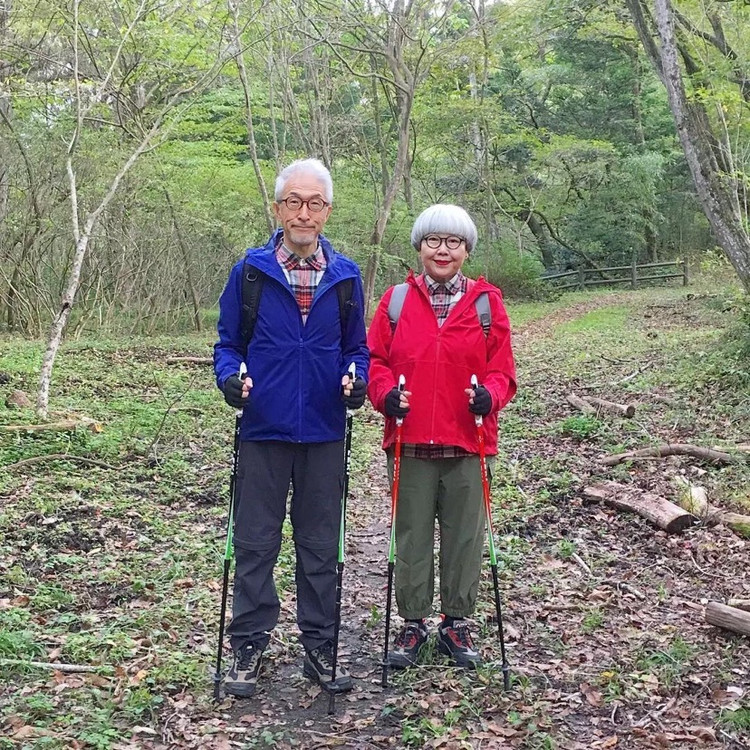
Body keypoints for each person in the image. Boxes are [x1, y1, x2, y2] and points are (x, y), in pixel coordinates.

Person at [213, 158, 369, 698]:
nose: (304, 212)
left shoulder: (347, 277)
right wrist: (231, 379)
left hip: (325, 430)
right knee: (255, 542)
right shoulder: (251, 273)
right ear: (278, 208)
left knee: (321, 544)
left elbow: (357, 350)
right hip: (264, 427)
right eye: (294, 202)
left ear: (327, 210)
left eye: (315, 203)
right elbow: (228, 344)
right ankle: (248, 644)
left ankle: (319, 644)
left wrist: (359, 383)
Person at [367, 204, 516, 670]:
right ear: (419, 247)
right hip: (410, 441)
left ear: (467, 250)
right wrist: (386, 394)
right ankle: (412, 623)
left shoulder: (487, 304)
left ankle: (456, 622)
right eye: (434, 240)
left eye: (454, 242)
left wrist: (488, 397)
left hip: (467, 443)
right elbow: (374, 361)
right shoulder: (395, 302)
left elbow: (503, 371)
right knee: (411, 536)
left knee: (464, 537)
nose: (443, 250)